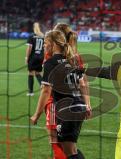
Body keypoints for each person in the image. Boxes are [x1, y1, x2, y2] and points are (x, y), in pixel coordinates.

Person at [30, 30, 91, 159]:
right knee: (71, 149)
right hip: (78, 106)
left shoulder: (50, 63)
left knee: (69, 151)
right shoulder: (72, 61)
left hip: (66, 109)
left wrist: (36, 114)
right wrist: (86, 105)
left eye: (46, 43)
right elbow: (83, 83)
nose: (44, 46)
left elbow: (46, 91)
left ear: (53, 44)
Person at [25, 22, 44, 96]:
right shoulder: (43, 36)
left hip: (33, 57)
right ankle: (44, 90)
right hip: (41, 57)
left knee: (30, 73)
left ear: (33, 28)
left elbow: (29, 48)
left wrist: (26, 57)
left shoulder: (31, 36)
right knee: (38, 73)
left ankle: (31, 92)